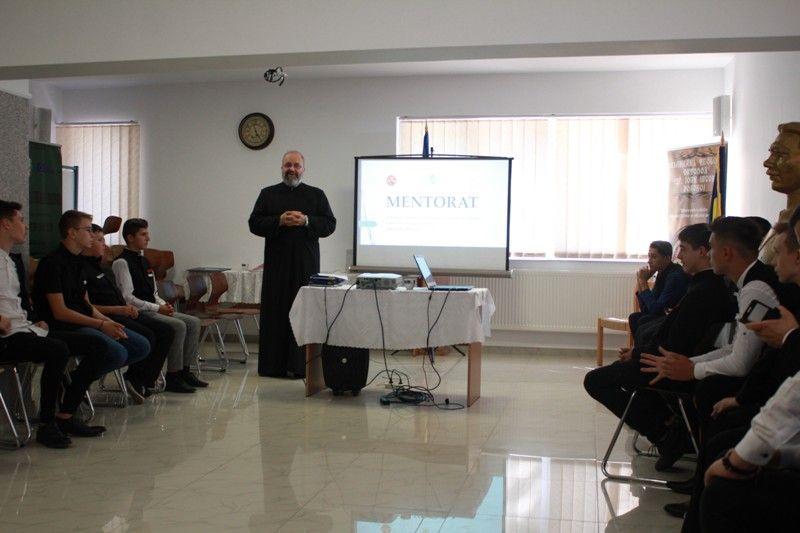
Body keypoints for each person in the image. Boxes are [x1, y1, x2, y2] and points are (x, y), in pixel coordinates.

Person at [584, 223, 734, 469]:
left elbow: (675, 342)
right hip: (667, 358)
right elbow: (663, 322)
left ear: (702, 252)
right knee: (634, 335)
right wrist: (638, 351)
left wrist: (638, 353)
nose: (679, 255)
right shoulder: (702, 284)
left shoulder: (700, 289)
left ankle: (665, 434)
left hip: (670, 366)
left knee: (595, 381)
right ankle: (670, 425)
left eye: (683, 249)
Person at [33, 210, 151, 436]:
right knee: (112, 351)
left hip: (84, 320)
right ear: (71, 233)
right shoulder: (53, 263)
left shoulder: (78, 262)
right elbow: (60, 312)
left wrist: (107, 321)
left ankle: (75, 383)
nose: (92, 234)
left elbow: (86, 304)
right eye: (88, 230)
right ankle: (69, 407)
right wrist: (100, 325)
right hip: (61, 325)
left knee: (139, 345)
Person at [0, 200, 85, 448]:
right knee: (57, 349)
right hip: (5, 336)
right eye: (21, 220)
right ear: (5, 224)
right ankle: (48, 424)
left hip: (22, 329)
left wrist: (32, 320)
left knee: (89, 343)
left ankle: (67, 413)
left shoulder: (9, 259)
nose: (25, 226)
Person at [248, 150, 336, 377]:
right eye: (288, 165)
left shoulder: (316, 195)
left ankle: (300, 367)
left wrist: (306, 220)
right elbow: (254, 223)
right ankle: (273, 367)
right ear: (282, 167)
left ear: (303, 169)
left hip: (305, 266)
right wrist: (278, 220)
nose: (292, 169)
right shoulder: (267, 194)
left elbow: (330, 225)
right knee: (276, 313)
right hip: (276, 266)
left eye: (296, 166)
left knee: (303, 314)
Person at [112, 218, 207, 393]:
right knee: (178, 325)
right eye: (143, 234)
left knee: (194, 322)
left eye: (147, 234)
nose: (148, 238)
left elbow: (154, 293)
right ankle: (173, 376)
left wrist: (165, 305)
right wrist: (158, 308)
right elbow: (127, 298)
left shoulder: (145, 261)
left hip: (153, 307)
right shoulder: (121, 263)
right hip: (138, 311)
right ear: (130, 237)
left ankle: (185, 371)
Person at [83, 224, 175, 401]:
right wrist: (119, 310)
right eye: (100, 240)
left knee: (165, 330)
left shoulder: (102, 267)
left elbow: (148, 293)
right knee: (152, 334)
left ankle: (146, 379)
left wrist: (161, 305)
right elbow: (89, 305)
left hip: (123, 311)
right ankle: (136, 378)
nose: (106, 245)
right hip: (109, 315)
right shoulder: (99, 266)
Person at [630, 240, 689, 340]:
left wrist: (643, 282)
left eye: (654, 257)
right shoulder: (662, 272)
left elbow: (655, 310)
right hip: (661, 315)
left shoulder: (674, 276)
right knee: (635, 317)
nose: (649, 261)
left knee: (642, 320)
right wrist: (641, 281)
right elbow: (646, 309)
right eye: (649, 256)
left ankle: (645, 349)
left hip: (674, 319)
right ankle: (641, 349)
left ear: (667, 258)